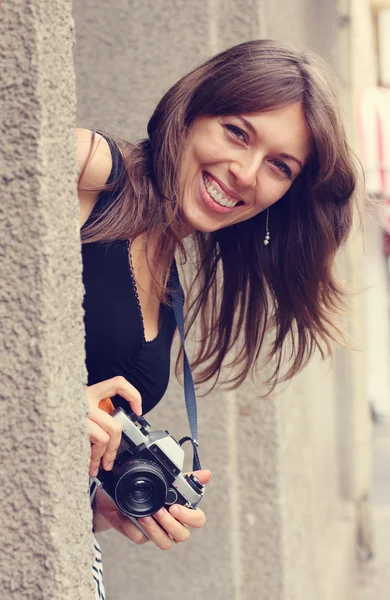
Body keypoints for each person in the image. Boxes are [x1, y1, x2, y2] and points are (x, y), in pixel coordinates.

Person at [77, 39, 359, 598]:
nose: (246, 173)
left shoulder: (170, 278)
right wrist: (49, 405)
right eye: (237, 132)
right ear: (191, 111)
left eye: (280, 166)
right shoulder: (91, 169)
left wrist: (114, 503)